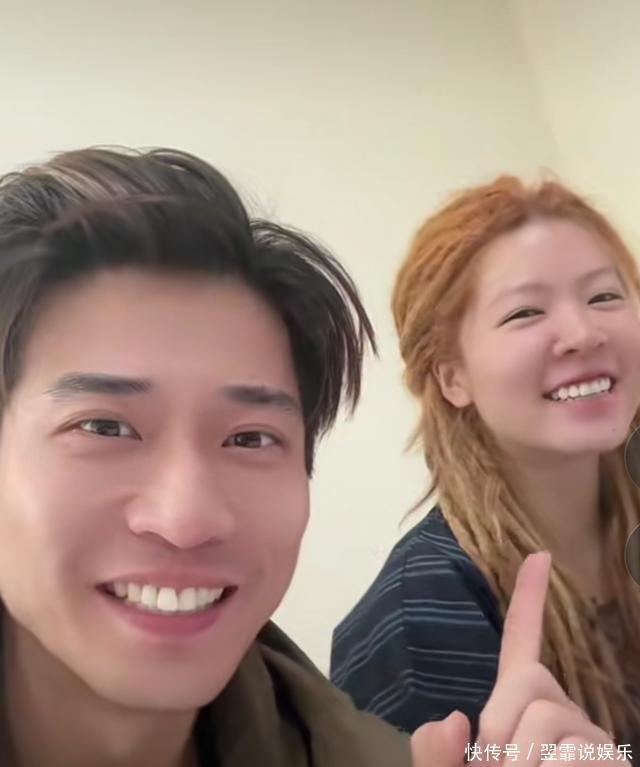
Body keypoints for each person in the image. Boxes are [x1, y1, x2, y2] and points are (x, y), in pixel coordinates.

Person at [0, 150, 624, 766]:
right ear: (448, 375)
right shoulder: (419, 615)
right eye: (104, 427)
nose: (186, 518)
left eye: (249, 438)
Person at [330, 176, 640, 751]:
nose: (583, 333)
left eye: (603, 297)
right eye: (525, 312)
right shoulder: (416, 623)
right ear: (452, 377)